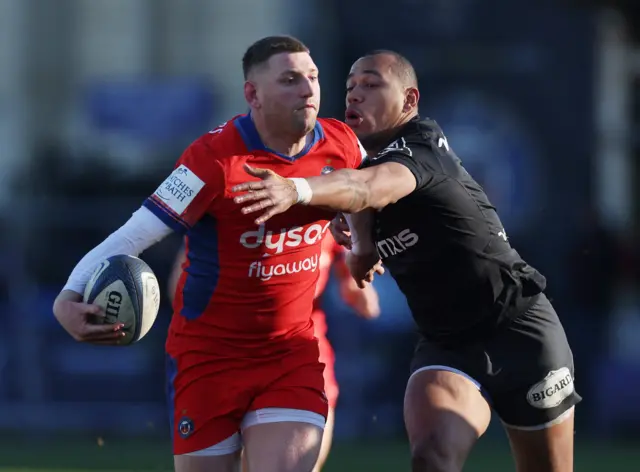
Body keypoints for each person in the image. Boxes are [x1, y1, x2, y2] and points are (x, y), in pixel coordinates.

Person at [231, 50, 581, 472]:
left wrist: (297, 191)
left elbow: (369, 188)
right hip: (446, 343)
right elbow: (358, 189)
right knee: (431, 457)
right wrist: (361, 245)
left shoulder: (420, 147)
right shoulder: (357, 157)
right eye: (350, 87)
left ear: (410, 101)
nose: (355, 94)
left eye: (372, 84)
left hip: (520, 331)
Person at [52, 35, 368, 472]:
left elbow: (381, 191)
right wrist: (66, 297)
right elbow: (132, 237)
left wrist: (364, 239)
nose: (308, 90)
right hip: (208, 357)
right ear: (252, 94)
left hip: (291, 353)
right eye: (291, 79)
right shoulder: (212, 160)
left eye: (312, 77)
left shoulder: (343, 145)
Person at [168, 232, 380, 472]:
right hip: (228, 359)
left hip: (300, 361)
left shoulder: (327, 221)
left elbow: (363, 297)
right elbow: (179, 288)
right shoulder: (221, 212)